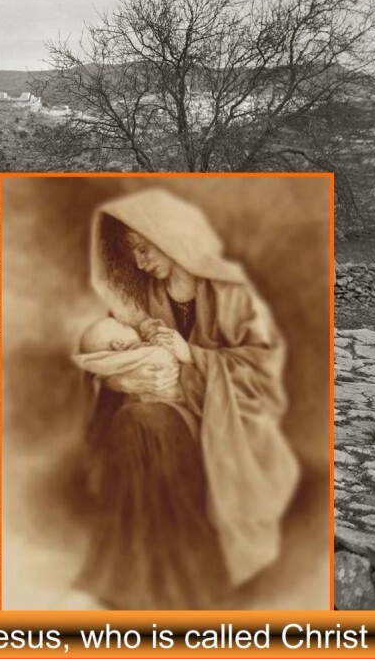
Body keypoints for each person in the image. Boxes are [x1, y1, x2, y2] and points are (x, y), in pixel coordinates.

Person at [73, 188, 299, 610]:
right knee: (133, 420)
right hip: (170, 408)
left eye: (144, 247)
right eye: (132, 253)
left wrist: (189, 354)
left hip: (230, 423)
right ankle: (136, 575)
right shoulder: (145, 300)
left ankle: (189, 578)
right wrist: (125, 370)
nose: (139, 261)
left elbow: (263, 373)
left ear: (169, 233)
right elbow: (110, 348)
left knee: (143, 423)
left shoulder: (232, 293)